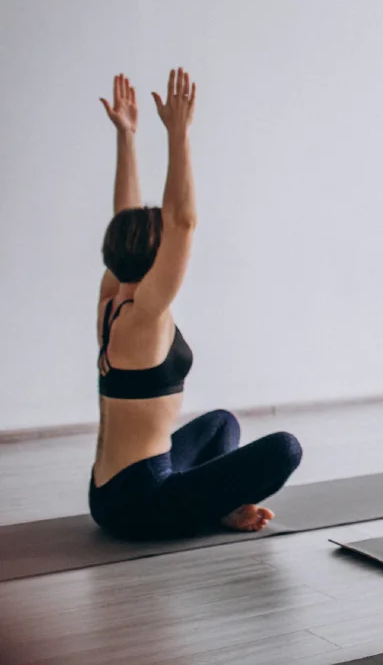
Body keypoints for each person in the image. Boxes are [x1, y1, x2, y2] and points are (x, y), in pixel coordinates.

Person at [90, 70, 302, 540]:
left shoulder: (113, 298)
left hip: (109, 490)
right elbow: (182, 221)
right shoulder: (146, 316)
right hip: (140, 501)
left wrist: (127, 136)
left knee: (220, 424)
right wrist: (179, 135)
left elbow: (125, 220)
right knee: (284, 448)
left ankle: (211, 504)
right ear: (157, 256)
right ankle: (211, 510)